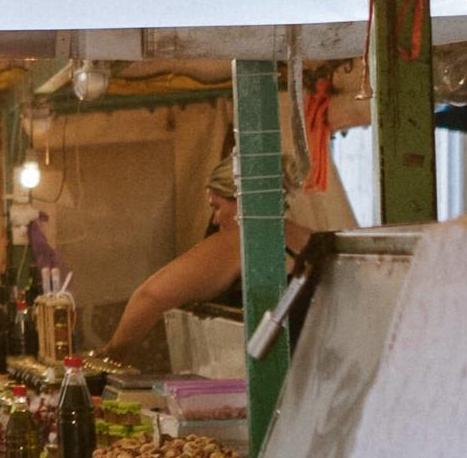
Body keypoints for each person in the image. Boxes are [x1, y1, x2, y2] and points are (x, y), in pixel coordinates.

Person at [106, 125, 358, 357]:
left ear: (240, 199)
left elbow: (151, 296)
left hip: (270, 375)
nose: (215, 220)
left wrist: (112, 354)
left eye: (216, 206)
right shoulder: (309, 238)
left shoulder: (240, 240)